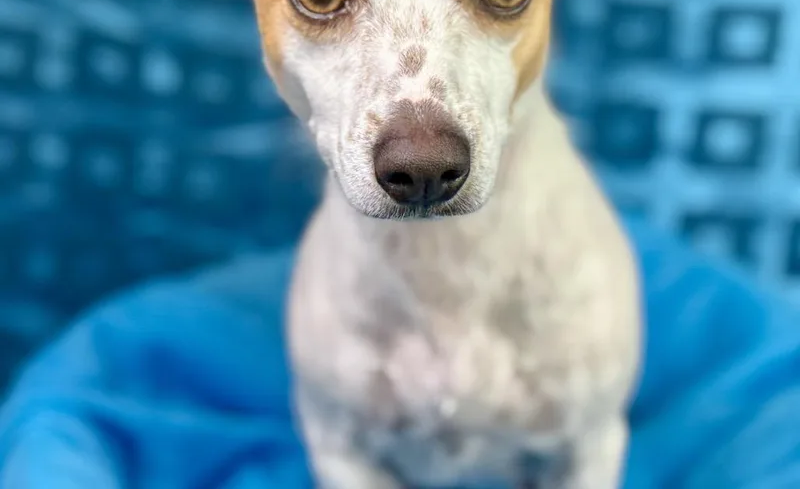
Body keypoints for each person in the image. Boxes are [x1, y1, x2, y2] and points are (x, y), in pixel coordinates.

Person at [1, 215, 799, 489]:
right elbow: (339, 439)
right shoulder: (320, 306)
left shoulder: (597, 283)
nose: (415, 128)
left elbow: (592, 442)